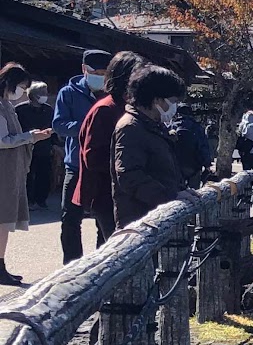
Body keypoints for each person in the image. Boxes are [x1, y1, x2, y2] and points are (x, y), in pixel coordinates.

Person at [112, 65, 195, 227]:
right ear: (157, 100)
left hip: (158, 215)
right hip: (141, 220)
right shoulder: (130, 127)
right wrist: (170, 196)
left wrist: (180, 190)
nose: (175, 107)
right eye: (173, 101)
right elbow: (129, 176)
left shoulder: (153, 125)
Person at [75, 51, 143, 244]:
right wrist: (127, 166)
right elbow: (93, 157)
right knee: (118, 248)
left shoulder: (124, 106)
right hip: (105, 192)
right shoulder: (106, 109)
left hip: (120, 192)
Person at [52, 48, 110, 262]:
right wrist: (88, 126)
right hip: (75, 165)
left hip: (104, 166)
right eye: (96, 73)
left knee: (104, 219)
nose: (101, 77)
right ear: (84, 69)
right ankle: (72, 264)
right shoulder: (68, 92)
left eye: (105, 73)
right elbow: (59, 125)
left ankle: (102, 263)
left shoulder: (113, 93)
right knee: (70, 218)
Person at [0, 65, 56, 283]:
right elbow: (3, 141)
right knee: (3, 219)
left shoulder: (8, 105)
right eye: (22, 87)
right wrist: (30, 137)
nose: (23, 92)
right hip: (4, 169)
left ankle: (1, 265)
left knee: (4, 220)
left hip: (11, 168)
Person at [20, 82, 55, 209]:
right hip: (26, 146)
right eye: (42, 93)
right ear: (34, 95)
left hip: (44, 147)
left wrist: (54, 144)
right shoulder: (20, 109)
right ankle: (28, 201)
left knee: (44, 174)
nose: (45, 95)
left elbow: (53, 126)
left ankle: (41, 200)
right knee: (27, 175)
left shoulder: (48, 109)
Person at [168, 100, 214, 189]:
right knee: (194, 192)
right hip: (194, 166)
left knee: (178, 192)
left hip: (176, 165)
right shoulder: (197, 127)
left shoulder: (172, 126)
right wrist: (207, 164)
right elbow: (203, 147)